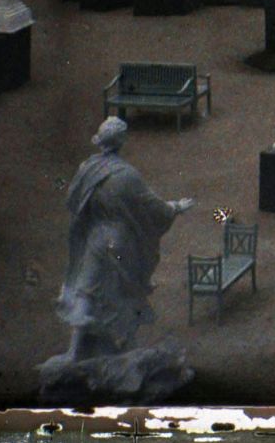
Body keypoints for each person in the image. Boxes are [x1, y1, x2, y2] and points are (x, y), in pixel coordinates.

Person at [53, 119, 193, 361]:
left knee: (87, 290)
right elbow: (153, 208)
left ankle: (75, 351)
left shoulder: (88, 168)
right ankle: (128, 345)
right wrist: (176, 207)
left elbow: (73, 199)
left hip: (96, 237)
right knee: (128, 292)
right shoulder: (127, 176)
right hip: (120, 240)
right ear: (122, 141)